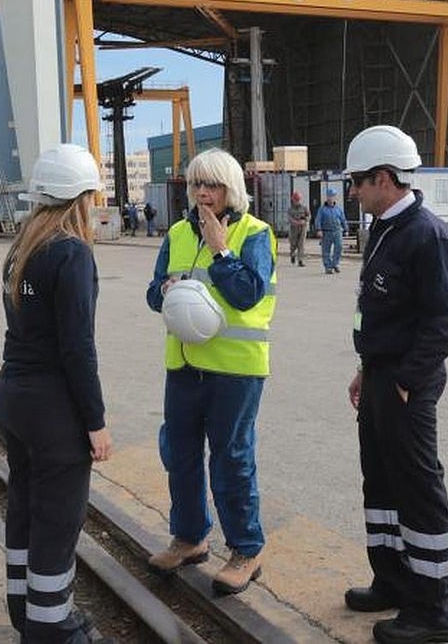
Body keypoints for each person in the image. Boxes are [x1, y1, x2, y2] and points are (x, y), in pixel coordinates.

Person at [341, 125, 448, 644]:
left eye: (358, 182)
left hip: (405, 385)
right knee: (383, 483)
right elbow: (385, 314)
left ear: (384, 179)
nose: (353, 192)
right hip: (382, 377)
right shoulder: (388, 228)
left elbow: (445, 322)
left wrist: (406, 382)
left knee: (417, 490)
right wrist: (368, 370)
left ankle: (434, 610)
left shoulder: (427, 235)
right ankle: (392, 580)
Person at [0, 143, 114, 644]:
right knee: (58, 519)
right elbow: (77, 348)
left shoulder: (22, 247)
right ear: (81, 198)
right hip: (52, 408)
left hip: (13, 395)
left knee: (24, 504)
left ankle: (25, 609)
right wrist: (96, 422)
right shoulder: (71, 253)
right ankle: (51, 627)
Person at [144, 148, 277, 596]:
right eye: (197, 184)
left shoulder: (256, 234)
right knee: (178, 455)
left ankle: (245, 549)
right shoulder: (179, 233)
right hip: (182, 366)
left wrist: (221, 252)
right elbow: (152, 293)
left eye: (213, 185)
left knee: (232, 460)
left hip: (234, 371)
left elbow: (246, 294)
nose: (203, 192)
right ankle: (190, 538)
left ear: (231, 189)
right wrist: (164, 290)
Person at [314, 187, 347, 274]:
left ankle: (335, 264)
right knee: (326, 250)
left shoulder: (338, 209)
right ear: (327, 197)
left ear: (335, 197)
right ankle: (328, 267)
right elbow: (318, 220)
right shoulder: (322, 209)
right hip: (326, 232)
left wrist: (346, 229)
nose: (331, 198)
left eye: (333, 196)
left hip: (337, 231)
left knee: (339, 247)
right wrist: (319, 230)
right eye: (329, 196)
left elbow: (343, 219)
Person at [287, 191, 310, 266]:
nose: (297, 201)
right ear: (293, 200)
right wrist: (294, 222)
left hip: (302, 228)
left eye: (298, 200)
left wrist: (305, 220)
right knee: (293, 244)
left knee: (301, 244)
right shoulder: (290, 209)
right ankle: (292, 254)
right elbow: (289, 218)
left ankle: (300, 260)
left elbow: (309, 215)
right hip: (293, 228)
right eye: (295, 200)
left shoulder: (304, 207)